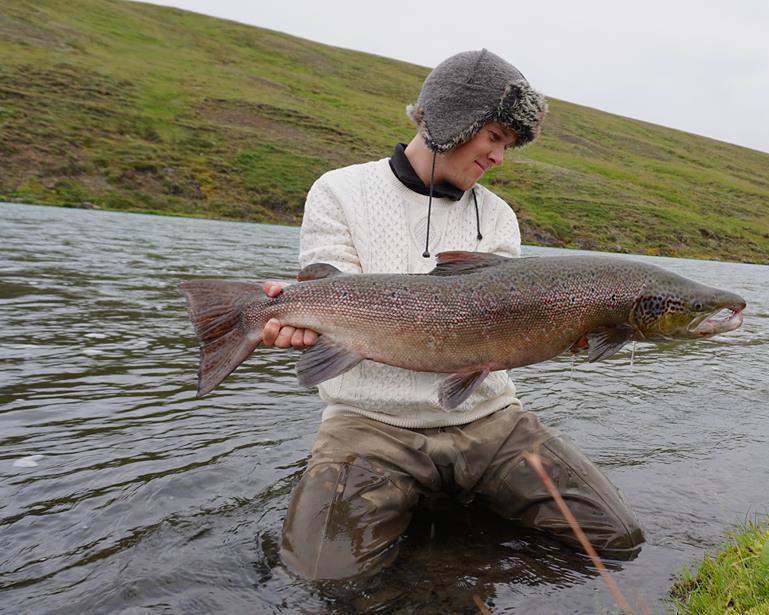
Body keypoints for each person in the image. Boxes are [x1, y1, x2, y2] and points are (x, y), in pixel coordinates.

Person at [261, 49, 644, 583]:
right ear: (450, 122)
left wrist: (570, 329)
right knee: (322, 577)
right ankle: (441, 570)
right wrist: (303, 323)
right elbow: (330, 290)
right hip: (369, 425)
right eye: (494, 137)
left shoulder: (499, 216)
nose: (499, 158)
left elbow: (509, 323)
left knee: (617, 539)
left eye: (508, 146)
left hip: (491, 420)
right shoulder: (339, 191)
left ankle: (456, 560)